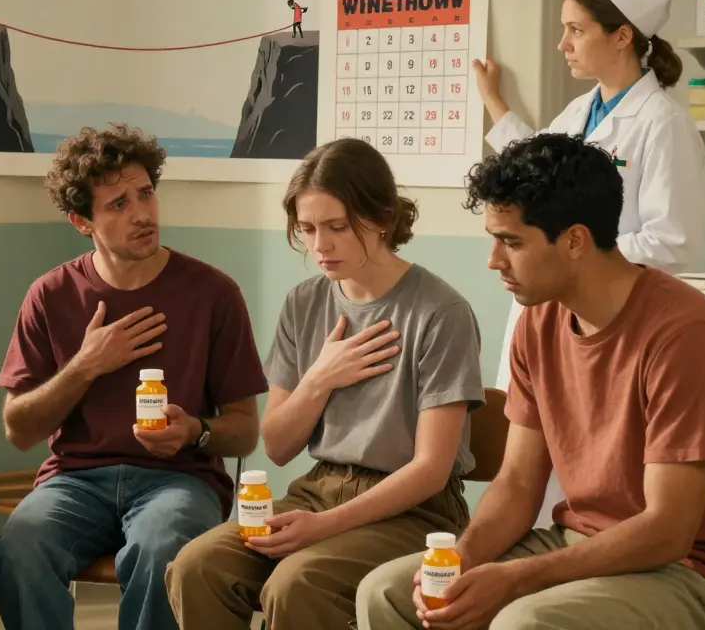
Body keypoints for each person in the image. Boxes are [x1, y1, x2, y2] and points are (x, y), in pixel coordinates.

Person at [357, 132, 705, 630]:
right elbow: (519, 482)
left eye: (510, 241)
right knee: (388, 593)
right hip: (577, 542)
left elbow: (668, 530)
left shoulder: (684, 335)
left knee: (523, 622)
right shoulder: (538, 320)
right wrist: (461, 560)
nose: (493, 260)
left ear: (574, 240)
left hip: (689, 574)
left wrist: (520, 578)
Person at [165, 139, 485, 630]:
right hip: (316, 490)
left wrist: (324, 526)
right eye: (308, 229)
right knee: (196, 566)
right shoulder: (304, 302)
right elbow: (276, 444)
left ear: (382, 217)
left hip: (415, 510)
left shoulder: (441, 312)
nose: (320, 246)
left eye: (337, 227)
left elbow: (430, 469)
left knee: (295, 583)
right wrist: (319, 378)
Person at [0, 123, 268, 630]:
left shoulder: (213, 293)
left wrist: (195, 431)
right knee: (19, 545)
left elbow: (246, 430)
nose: (142, 213)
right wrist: (85, 365)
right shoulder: (50, 295)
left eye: (145, 194)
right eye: (118, 204)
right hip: (75, 481)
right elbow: (19, 429)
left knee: (161, 546)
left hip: (181, 481)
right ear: (81, 221)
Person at [474, 0, 705, 526]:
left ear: (622, 35)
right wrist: (493, 100)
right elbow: (532, 180)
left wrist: (585, 262)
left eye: (575, 29)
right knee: (530, 473)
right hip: (552, 317)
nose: (563, 44)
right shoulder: (581, 109)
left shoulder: (663, 123)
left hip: (616, 325)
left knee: (591, 480)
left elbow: (672, 241)